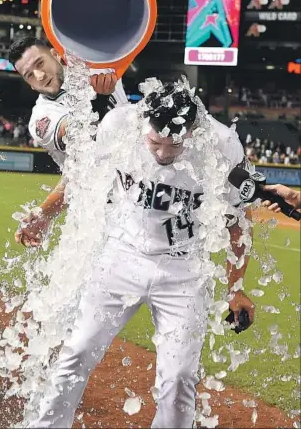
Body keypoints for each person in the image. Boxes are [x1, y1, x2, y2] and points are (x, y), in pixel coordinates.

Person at [16, 81, 255, 428]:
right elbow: (81, 178)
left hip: (184, 270)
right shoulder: (120, 124)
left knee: (179, 379)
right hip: (121, 255)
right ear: (145, 122)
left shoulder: (222, 144)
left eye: (173, 146)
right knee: (77, 351)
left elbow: (239, 222)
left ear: (193, 131)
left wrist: (236, 289)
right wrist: (43, 215)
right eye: (155, 143)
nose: (161, 155)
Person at [8, 0, 128, 171]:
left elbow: (91, 1)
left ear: (55, 52)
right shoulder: (41, 118)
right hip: (99, 203)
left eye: (40, 63)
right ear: (28, 84)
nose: (39, 75)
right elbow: (78, 137)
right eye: (29, 75)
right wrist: (99, 98)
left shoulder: (92, 60)